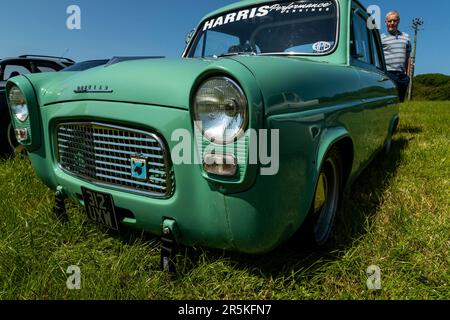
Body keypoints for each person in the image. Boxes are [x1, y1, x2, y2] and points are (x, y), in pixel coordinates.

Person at [381, 11, 411, 102]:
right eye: (390, 21)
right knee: (390, 102)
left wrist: (408, 75)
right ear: (385, 22)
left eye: (395, 21)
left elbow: (408, 57)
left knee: (400, 103)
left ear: (398, 21)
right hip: (388, 74)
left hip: (402, 76)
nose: (392, 23)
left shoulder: (406, 37)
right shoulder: (381, 38)